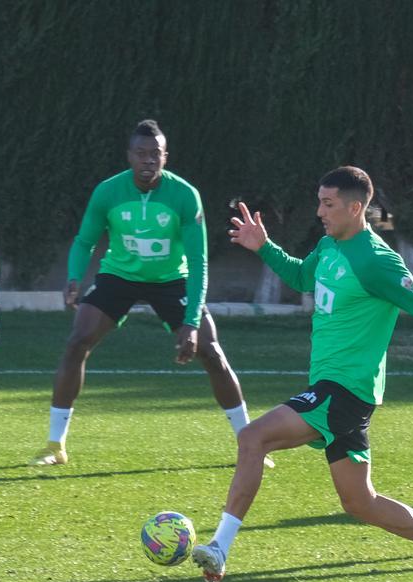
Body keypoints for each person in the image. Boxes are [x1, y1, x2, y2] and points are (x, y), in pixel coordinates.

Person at [191, 166, 413, 582]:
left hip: (342, 390)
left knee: (253, 438)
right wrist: (264, 247)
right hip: (339, 390)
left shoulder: (376, 261)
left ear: (356, 208)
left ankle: (221, 547)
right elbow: (303, 277)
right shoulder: (329, 246)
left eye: (328, 204)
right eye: (319, 201)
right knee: (360, 502)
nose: (320, 211)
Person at [32, 120, 256, 466]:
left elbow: (198, 262)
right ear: (129, 156)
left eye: (156, 154)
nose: (148, 160)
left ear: (165, 157)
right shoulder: (108, 192)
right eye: (141, 153)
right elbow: (84, 241)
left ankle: (249, 443)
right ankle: (54, 445)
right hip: (119, 275)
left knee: (211, 351)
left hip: (171, 279)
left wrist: (191, 322)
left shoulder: (184, 195)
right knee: (77, 341)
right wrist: (75, 278)